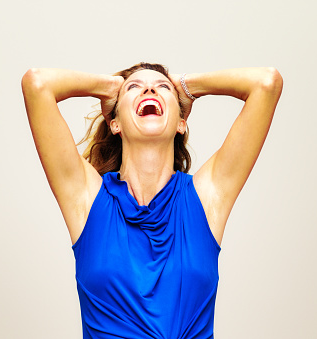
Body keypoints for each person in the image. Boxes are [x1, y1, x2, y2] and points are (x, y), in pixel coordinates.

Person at [21, 63, 283, 339]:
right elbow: (37, 84)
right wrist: (110, 87)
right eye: (135, 87)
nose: (149, 89)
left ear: (182, 122)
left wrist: (186, 86)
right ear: (114, 122)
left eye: (163, 88)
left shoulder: (207, 198)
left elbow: (266, 83)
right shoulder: (86, 198)